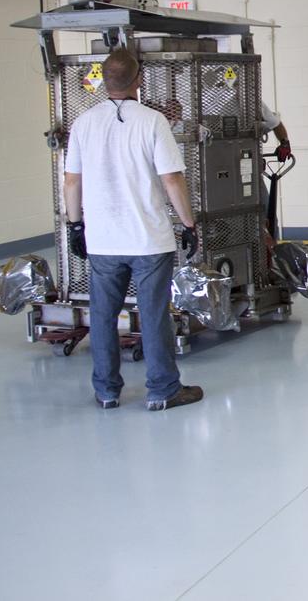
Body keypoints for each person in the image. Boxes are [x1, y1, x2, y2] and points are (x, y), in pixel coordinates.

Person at [63, 48, 204, 411]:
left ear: (103, 81)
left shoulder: (83, 123)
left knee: (103, 316)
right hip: (149, 240)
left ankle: (106, 391)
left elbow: (71, 181)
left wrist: (75, 225)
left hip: (103, 242)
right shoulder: (153, 121)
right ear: (138, 80)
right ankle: (163, 390)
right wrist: (189, 224)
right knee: (154, 314)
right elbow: (172, 179)